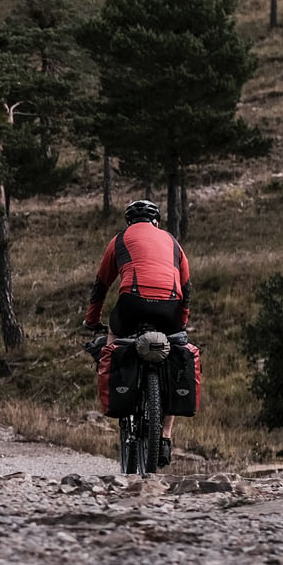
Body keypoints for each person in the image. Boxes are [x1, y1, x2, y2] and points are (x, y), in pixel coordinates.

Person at [83, 198, 192, 466]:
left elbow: (101, 286)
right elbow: (187, 287)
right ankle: (165, 436)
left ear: (129, 221)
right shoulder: (173, 242)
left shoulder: (119, 240)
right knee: (175, 355)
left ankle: (116, 388)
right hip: (169, 305)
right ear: (156, 221)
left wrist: (92, 321)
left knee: (114, 341)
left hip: (131, 303)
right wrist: (182, 319)